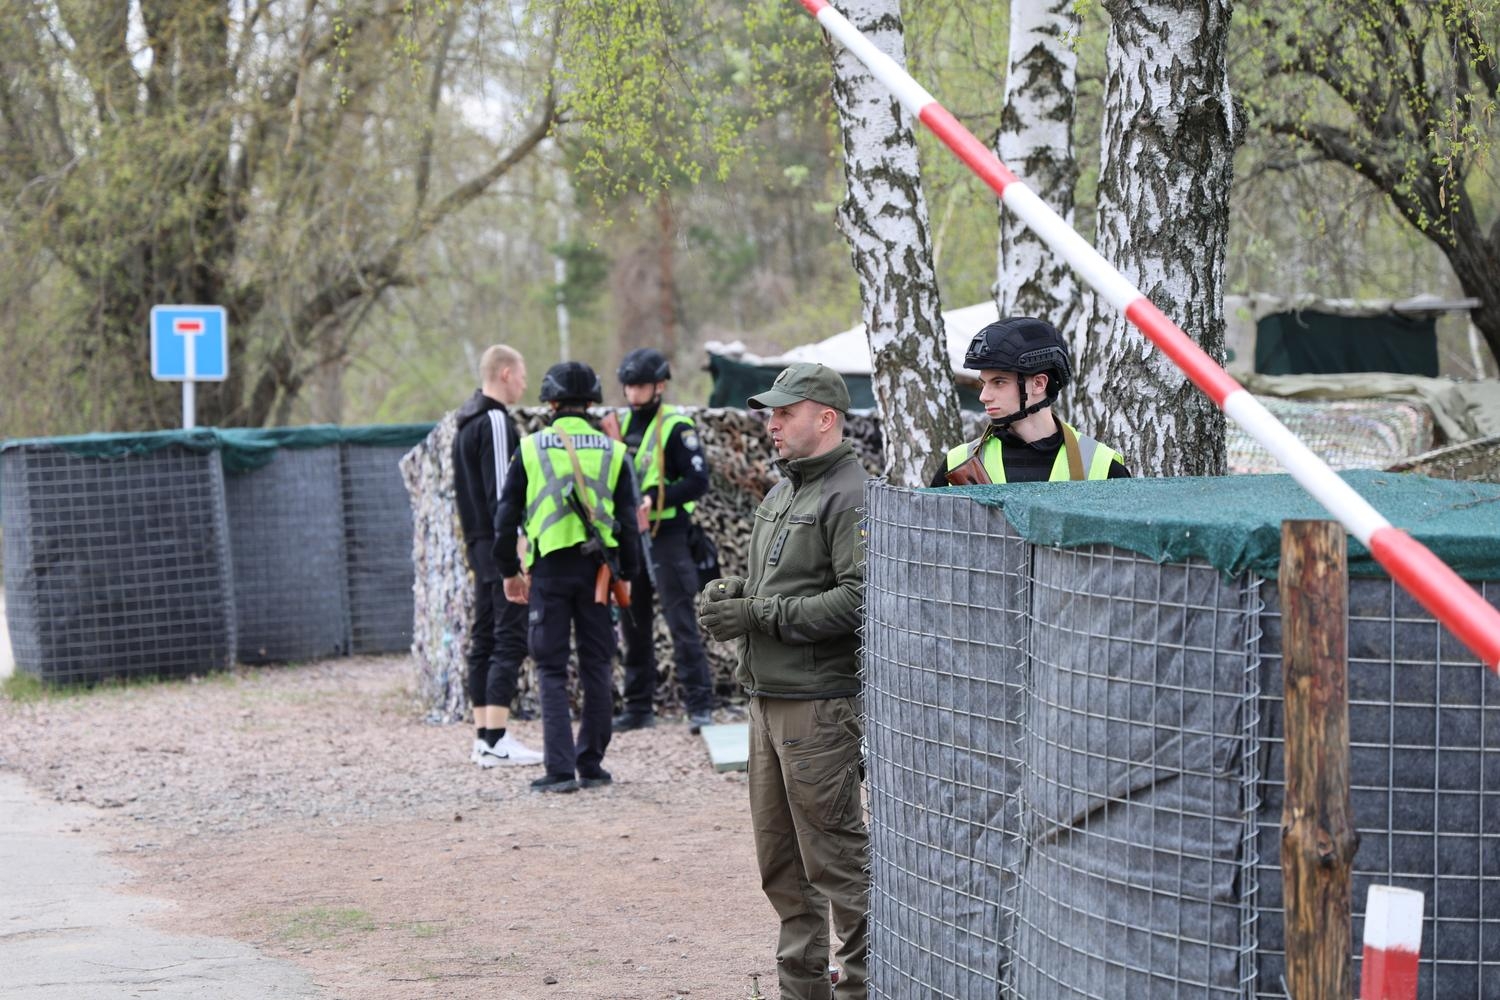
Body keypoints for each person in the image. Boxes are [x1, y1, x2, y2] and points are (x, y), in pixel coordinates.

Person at [698, 362, 869, 1000]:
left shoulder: (851, 492)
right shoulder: (782, 491)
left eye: (784, 412)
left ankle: (864, 989)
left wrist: (756, 613)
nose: (771, 424)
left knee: (838, 865)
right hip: (768, 699)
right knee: (782, 869)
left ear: (825, 418)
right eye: (770, 413)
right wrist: (734, 594)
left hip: (818, 704)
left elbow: (859, 599)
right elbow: (781, 586)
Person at [493, 361, 641, 794]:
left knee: (551, 668)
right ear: (592, 403)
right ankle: (590, 765)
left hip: (550, 572)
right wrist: (627, 574)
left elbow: (505, 521)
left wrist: (509, 572)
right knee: (597, 666)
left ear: (551, 403)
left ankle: (559, 771)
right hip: (599, 574)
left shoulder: (531, 448)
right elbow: (630, 526)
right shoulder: (615, 452)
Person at [610, 347, 717, 734]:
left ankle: (699, 706)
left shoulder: (676, 426)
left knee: (680, 622)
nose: (632, 393)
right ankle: (638, 707)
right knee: (633, 622)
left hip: (668, 536)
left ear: (659, 386)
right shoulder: (617, 426)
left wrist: (656, 499)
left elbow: (698, 481)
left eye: (639, 386)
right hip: (630, 537)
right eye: (628, 386)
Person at [451, 344, 544, 768]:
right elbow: (503, 497)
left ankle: (485, 737)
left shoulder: (465, 423)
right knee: (508, 638)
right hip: (497, 548)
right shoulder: (493, 420)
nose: (525, 384)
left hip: (477, 546)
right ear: (505, 373)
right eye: (522, 375)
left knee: (484, 638)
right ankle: (498, 738)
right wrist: (516, 552)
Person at [932, 316, 1130, 486]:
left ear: (1039, 384)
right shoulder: (957, 463)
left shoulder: (1102, 466)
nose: (984, 396)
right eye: (984, 383)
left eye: (999, 382)